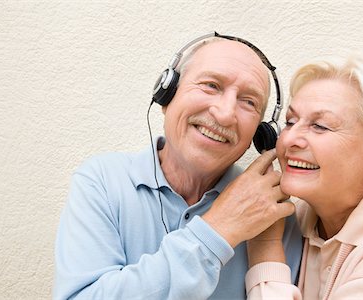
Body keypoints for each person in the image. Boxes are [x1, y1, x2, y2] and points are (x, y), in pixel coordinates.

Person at [53, 33, 303, 299]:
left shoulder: (272, 213)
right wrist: (218, 229)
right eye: (211, 85)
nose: (225, 113)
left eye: (249, 102)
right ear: (167, 95)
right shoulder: (101, 181)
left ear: (261, 133)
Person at [245, 53, 363, 299]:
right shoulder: (297, 217)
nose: (287, 140)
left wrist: (265, 249)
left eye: (320, 126)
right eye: (290, 122)